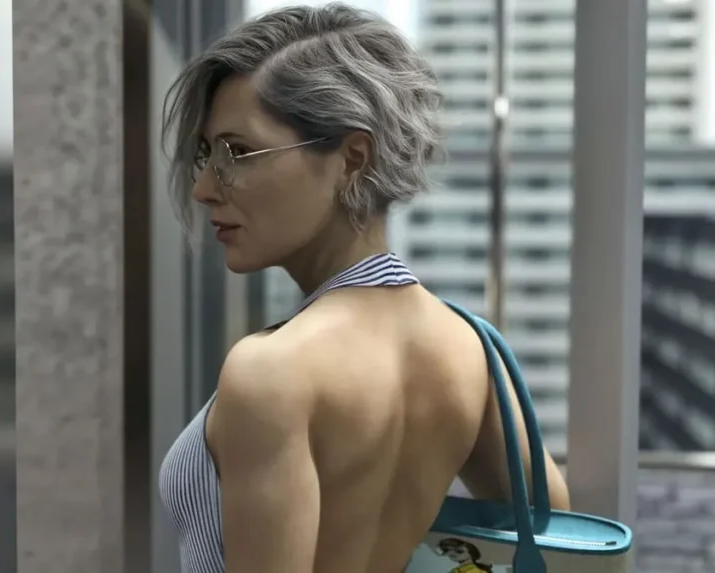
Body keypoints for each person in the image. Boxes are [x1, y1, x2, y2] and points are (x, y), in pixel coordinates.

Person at [156, 4, 570, 573]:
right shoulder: (472, 350)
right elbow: (555, 531)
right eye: (207, 156)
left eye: (238, 153)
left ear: (352, 158)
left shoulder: (272, 371)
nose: (203, 187)